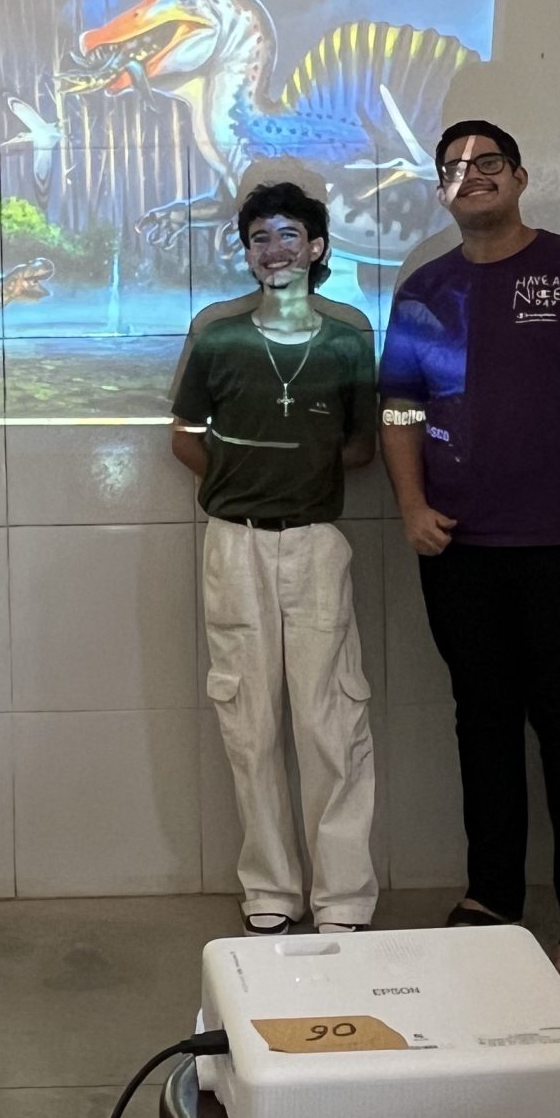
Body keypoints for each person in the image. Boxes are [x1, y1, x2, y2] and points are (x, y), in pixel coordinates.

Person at [378, 122, 560, 982]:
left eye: (488, 162)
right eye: (454, 168)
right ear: (441, 190)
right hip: (457, 543)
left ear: (521, 177)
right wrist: (412, 505)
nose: (472, 177)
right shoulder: (425, 291)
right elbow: (400, 409)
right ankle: (492, 893)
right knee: (482, 718)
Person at [170, 179, 381, 934]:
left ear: (317, 247)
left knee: (332, 720)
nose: (274, 249)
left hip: (317, 541)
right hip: (235, 543)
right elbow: (183, 437)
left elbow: (363, 443)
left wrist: (300, 471)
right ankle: (270, 890)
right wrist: (242, 479)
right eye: (259, 237)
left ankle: (343, 898)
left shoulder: (348, 334)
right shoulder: (217, 333)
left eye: (289, 234)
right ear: (247, 251)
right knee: (248, 721)